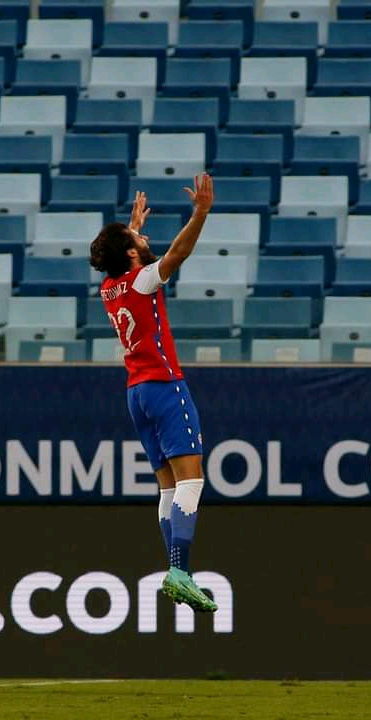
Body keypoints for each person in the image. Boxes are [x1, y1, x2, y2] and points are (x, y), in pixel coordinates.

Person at [89, 175, 219, 613]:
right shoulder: (144, 281)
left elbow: (125, 264)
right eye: (137, 240)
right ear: (130, 254)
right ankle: (180, 571)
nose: (144, 239)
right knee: (192, 480)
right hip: (164, 385)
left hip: (136, 393)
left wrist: (130, 230)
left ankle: (177, 569)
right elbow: (177, 254)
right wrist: (201, 212)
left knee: (167, 486)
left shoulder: (109, 289)